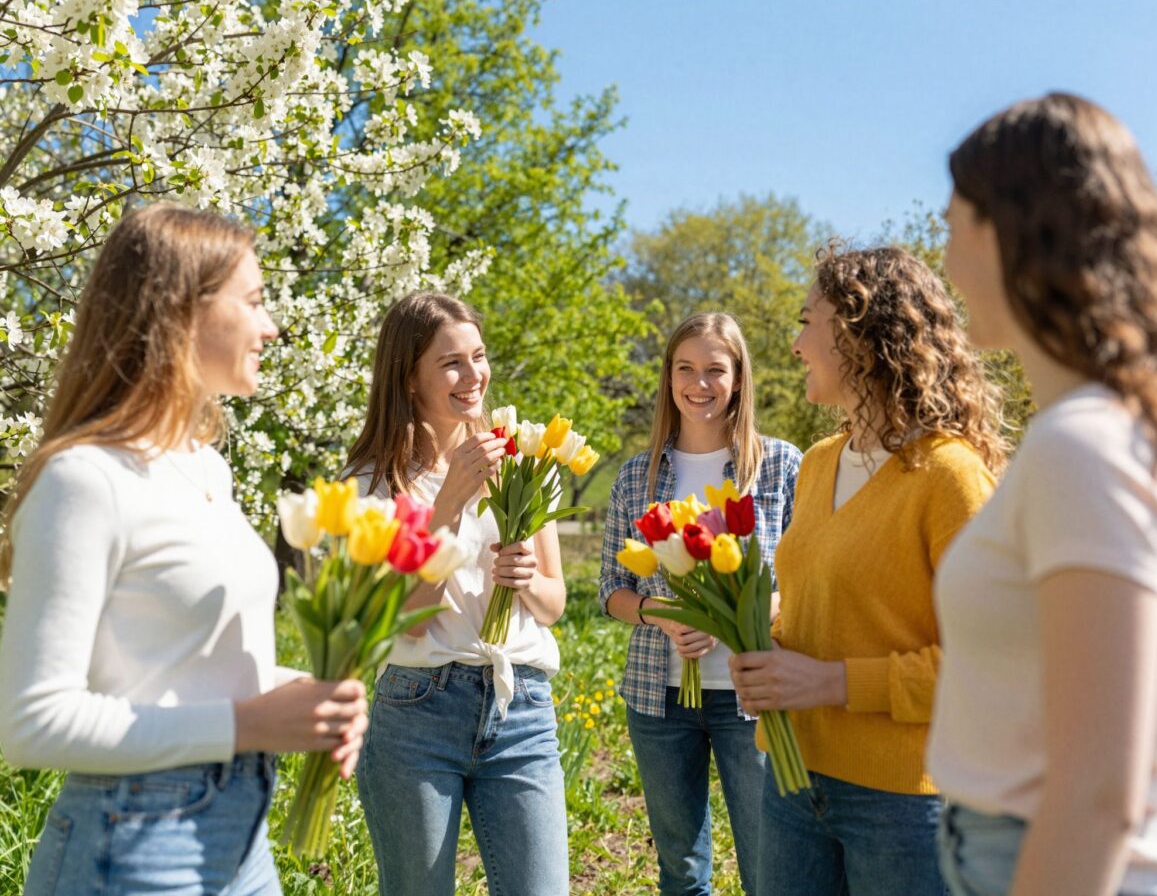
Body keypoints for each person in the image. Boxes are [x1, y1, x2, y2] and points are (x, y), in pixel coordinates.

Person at [0, 203, 368, 894]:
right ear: (180, 310)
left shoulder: (203, 466)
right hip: (133, 848)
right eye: (254, 302)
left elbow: (172, 665)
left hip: (241, 838)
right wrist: (247, 723)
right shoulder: (84, 479)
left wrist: (302, 696)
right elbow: (31, 723)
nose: (272, 326)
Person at [928, 92, 1157, 896]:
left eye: (951, 227)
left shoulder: (1087, 446)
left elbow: (1096, 796)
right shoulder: (1109, 433)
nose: (943, 261)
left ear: (1008, 230)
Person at [729, 246, 1007, 895]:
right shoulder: (820, 462)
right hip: (792, 783)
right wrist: (762, 631)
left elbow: (991, 667)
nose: (796, 344)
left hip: (904, 805)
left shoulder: (950, 477)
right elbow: (823, 602)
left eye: (807, 322)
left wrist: (829, 682)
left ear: (858, 332)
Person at [344, 292, 569, 896]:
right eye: (451, 363)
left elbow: (553, 604)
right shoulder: (372, 484)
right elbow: (402, 623)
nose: (474, 376)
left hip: (520, 706)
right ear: (409, 378)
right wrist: (444, 509)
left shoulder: (524, 461)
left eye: (479, 356)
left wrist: (526, 580)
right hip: (419, 711)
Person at [599, 312, 802, 895]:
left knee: (770, 864)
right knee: (681, 870)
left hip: (753, 696)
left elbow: (807, 579)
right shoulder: (637, 477)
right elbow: (611, 590)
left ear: (739, 378)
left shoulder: (781, 466)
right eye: (685, 368)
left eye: (716, 369)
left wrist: (739, 615)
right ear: (668, 378)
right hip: (658, 698)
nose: (699, 383)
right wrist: (664, 617)